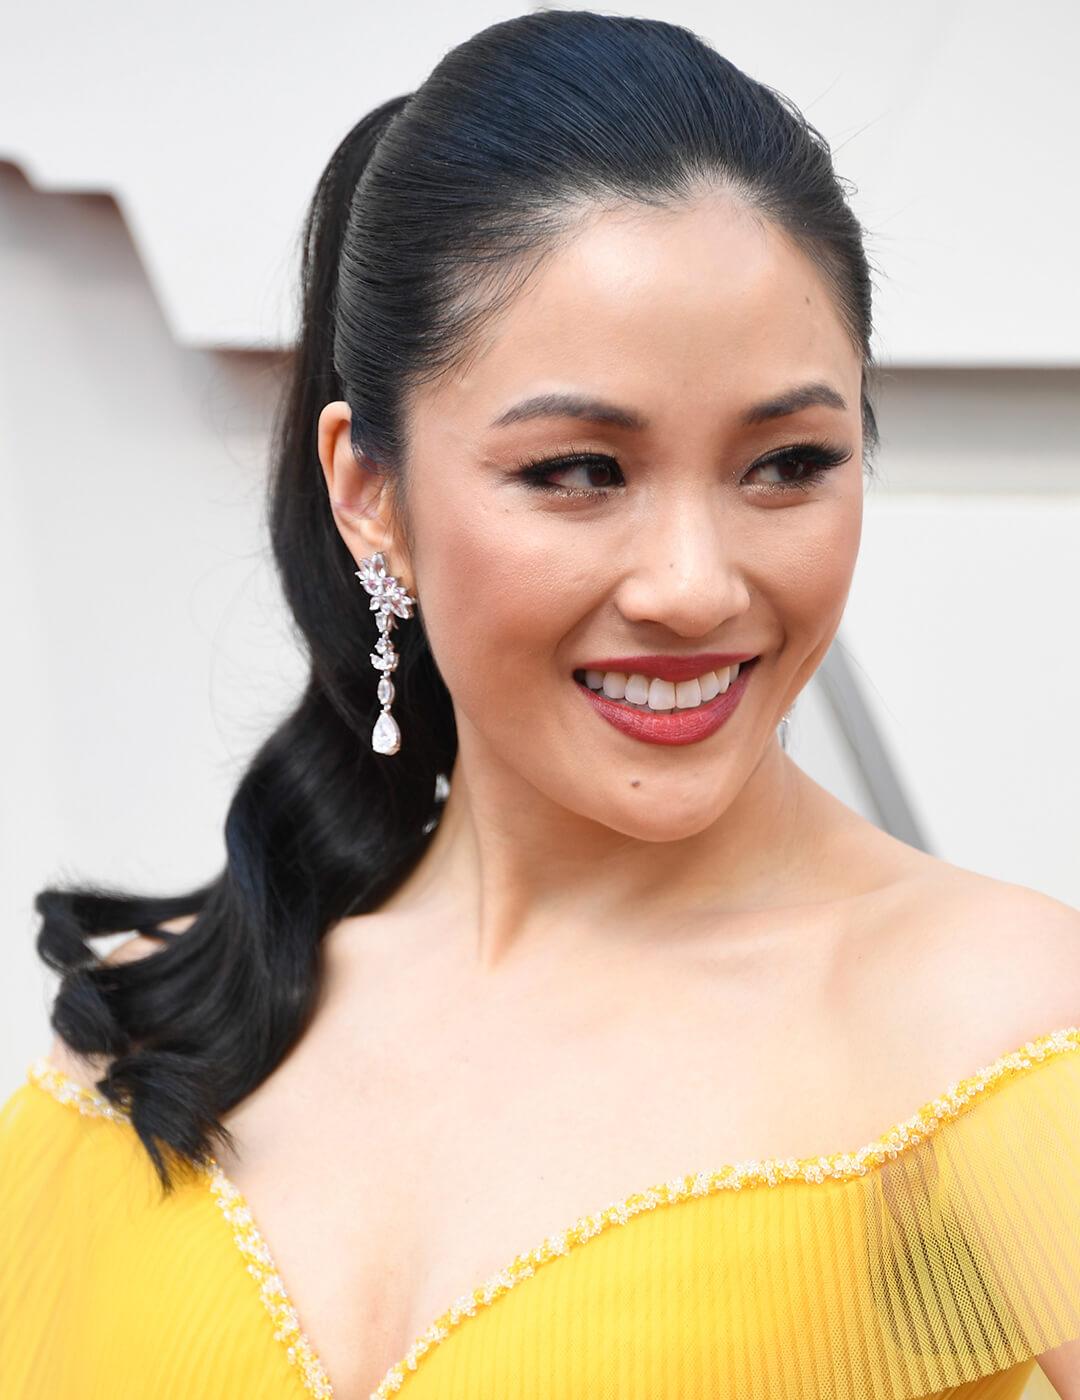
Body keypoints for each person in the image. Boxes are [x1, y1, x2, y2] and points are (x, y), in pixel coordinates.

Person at [2, 10, 1078, 1400]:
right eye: (578, 472)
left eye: (788, 463)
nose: (693, 586)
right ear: (368, 490)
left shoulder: (995, 1025)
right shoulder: (152, 1038)